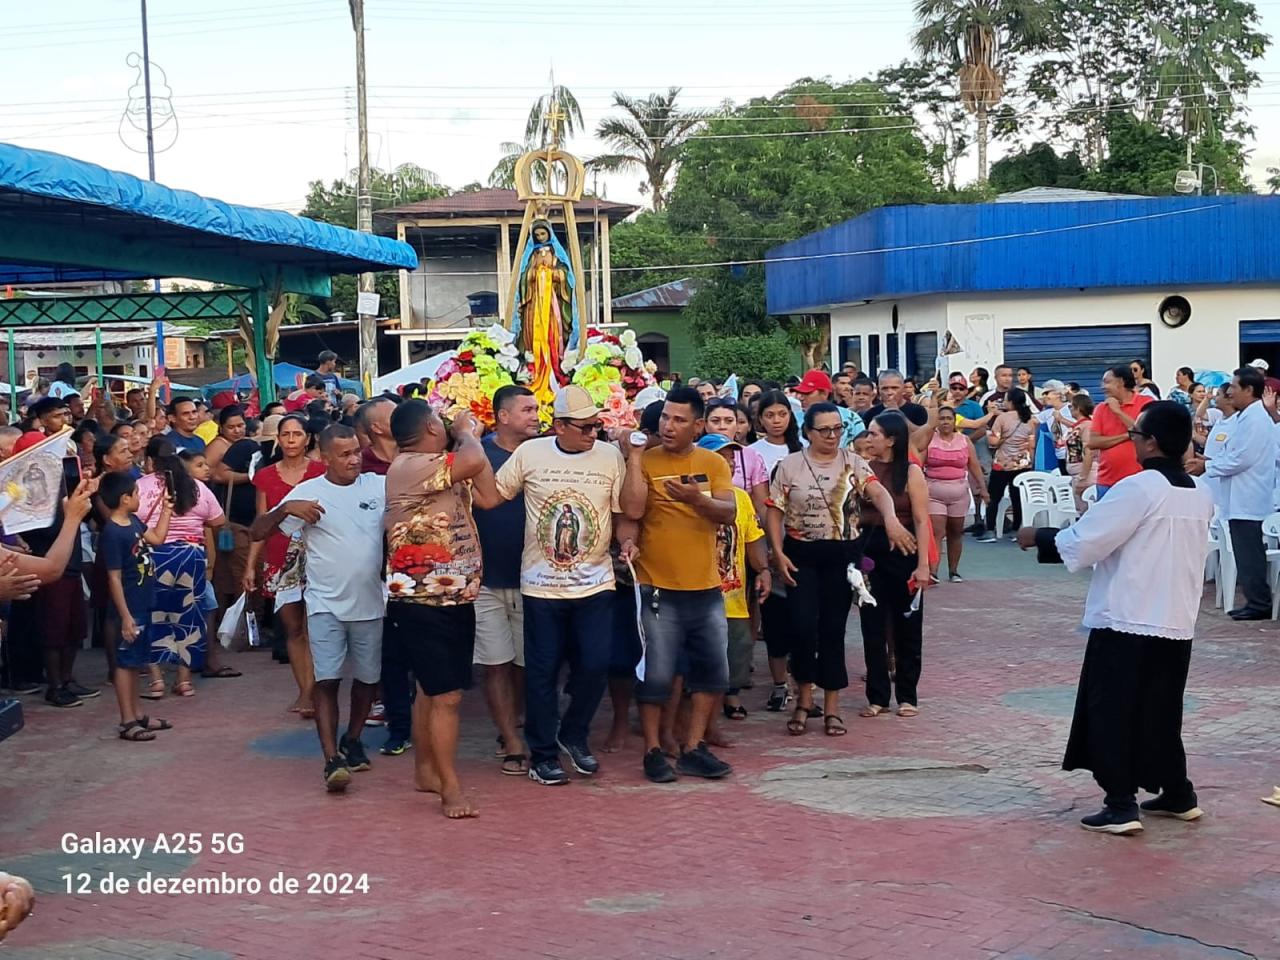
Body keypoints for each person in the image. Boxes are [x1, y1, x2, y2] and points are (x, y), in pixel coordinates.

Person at [1017, 402, 1213, 835]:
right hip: (1177, 619)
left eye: (1137, 433)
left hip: (1128, 617)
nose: (1133, 439)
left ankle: (1121, 803)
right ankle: (1179, 793)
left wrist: (1038, 536)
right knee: (1161, 711)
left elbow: (1090, 540)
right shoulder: (1199, 492)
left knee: (1113, 709)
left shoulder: (1140, 488)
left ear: (1152, 442)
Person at [478, 385, 626, 787]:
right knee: (541, 672)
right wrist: (463, 459)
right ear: (559, 426)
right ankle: (542, 754)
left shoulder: (610, 457)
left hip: (595, 583)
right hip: (541, 585)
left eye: (597, 426)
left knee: (595, 665)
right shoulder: (531, 454)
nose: (592, 434)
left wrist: (627, 540)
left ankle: (573, 734)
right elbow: (492, 496)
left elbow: (622, 511)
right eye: (584, 427)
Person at [766, 403, 917, 735]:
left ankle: (832, 706)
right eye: (824, 430)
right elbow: (774, 511)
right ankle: (804, 700)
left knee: (833, 631)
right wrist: (776, 552)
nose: (832, 436)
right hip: (800, 555)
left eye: (837, 429)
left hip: (840, 556)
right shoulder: (789, 466)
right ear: (808, 432)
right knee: (803, 628)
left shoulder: (854, 462)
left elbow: (879, 493)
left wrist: (891, 520)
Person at [252, 424, 386, 794]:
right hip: (324, 604)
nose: (354, 459)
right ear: (324, 458)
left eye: (357, 451)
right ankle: (331, 760)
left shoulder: (377, 486)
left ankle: (353, 739)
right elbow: (258, 533)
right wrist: (284, 509)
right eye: (344, 454)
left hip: (372, 603)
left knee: (368, 681)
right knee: (325, 681)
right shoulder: (308, 492)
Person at [618, 386, 737, 784]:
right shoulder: (645, 460)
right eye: (666, 418)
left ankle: (693, 748)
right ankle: (653, 751)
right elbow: (631, 511)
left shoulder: (713, 462)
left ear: (698, 425)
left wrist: (695, 499)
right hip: (655, 586)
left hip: (705, 586)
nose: (669, 426)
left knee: (711, 673)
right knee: (656, 675)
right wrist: (628, 540)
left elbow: (728, 512)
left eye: (680, 420)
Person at [382, 401, 491, 817]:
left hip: (456, 595)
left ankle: (426, 771)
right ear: (431, 425)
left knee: (433, 689)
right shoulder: (408, 465)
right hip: (422, 598)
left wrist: (472, 449)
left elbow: (491, 496)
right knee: (446, 696)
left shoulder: (446, 465)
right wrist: (467, 432)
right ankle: (450, 789)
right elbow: (473, 456)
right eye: (442, 421)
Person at [472, 385, 540, 774]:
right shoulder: (477, 454)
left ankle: (518, 723)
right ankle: (511, 740)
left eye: (536, 409)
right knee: (495, 663)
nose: (535, 415)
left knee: (527, 662)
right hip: (486, 578)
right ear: (502, 416)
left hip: (535, 578)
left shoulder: (544, 453)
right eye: (527, 410)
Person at [245, 414, 326, 718]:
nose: (291, 440)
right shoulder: (265, 476)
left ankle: (319, 690)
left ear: (308, 439)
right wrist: (251, 566)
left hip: (318, 556)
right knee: (293, 628)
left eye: (297, 434)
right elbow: (260, 525)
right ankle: (305, 691)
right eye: (286, 435)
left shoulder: (321, 472)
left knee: (317, 626)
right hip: (279, 557)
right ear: (277, 439)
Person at [136, 442, 226, 697]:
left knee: (152, 615)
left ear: (151, 461)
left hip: (154, 557)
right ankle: (184, 680)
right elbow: (218, 520)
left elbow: (131, 517)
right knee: (188, 615)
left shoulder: (141, 486)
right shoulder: (196, 486)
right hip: (192, 557)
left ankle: (156, 681)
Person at [859, 412, 932, 716]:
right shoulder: (862, 469)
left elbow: (920, 518)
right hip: (870, 554)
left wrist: (924, 565)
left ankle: (907, 696)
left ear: (891, 440)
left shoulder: (911, 472)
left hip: (905, 554)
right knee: (871, 627)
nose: (868, 439)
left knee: (907, 627)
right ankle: (877, 697)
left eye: (874, 434)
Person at [696, 433, 771, 721]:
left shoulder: (741, 497)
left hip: (734, 593)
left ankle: (731, 696)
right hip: (697, 592)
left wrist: (763, 569)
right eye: (721, 456)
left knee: (736, 650)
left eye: (730, 456)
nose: (728, 462)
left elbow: (752, 537)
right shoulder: (694, 493)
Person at [99, 470, 175, 741]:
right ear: (124, 498)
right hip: (128, 608)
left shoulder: (132, 521)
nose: (139, 497)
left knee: (135, 663)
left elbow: (157, 538)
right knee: (124, 663)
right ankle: (127, 720)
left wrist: (166, 510)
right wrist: (126, 617)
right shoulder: (112, 533)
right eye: (136, 494)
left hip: (141, 603)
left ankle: (138, 714)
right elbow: (114, 578)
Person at [1204, 366, 1277, 620]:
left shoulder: (1256, 419)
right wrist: (1210, 461)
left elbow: (1241, 459)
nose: (1230, 391)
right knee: (1245, 553)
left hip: (1249, 498)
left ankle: (1259, 603)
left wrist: (1207, 465)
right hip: (1238, 497)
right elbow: (1231, 453)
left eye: (1234, 387)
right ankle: (1255, 600)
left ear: (1249, 389)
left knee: (1249, 553)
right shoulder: (1244, 418)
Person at [915, 405, 987, 581]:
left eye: (949, 418)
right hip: (934, 491)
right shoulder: (930, 440)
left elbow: (974, 465)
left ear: (955, 421)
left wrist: (982, 488)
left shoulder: (964, 440)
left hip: (959, 492)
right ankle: (933, 571)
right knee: (937, 532)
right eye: (942, 418)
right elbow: (917, 464)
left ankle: (953, 571)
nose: (945, 422)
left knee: (956, 531)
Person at [979, 387, 1038, 542]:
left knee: (994, 497)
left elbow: (993, 441)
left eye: (1005, 399)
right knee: (1017, 498)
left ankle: (990, 530)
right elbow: (1031, 445)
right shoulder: (1030, 419)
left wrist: (997, 440)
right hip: (1022, 463)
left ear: (1011, 402)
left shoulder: (1002, 419)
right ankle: (1015, 530)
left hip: (1002, 464)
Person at [1089, 364, 1154, 499]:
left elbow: (1144, 432)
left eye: (1107, 382)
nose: (1102, 387)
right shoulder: (1101, 408)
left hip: (1140, 481)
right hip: (1107, 482)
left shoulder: (1146, 403)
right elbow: (1093, 442)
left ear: (1121, 382)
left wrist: (1117, 412)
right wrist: (1126, 435)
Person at [705, 397, 769, 516]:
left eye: (729, 421)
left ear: (736, 425)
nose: (722, 426)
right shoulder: (693, 451)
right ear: (705, 425)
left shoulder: (751, 456)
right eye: (715, 421)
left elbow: (762, 505)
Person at [794, 369, 866, 444]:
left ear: (825, 393)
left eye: (807, 393)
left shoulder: (852, 419)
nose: (801, 398)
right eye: (800, 393)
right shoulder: (792, 419)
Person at [748, 389, 804, 477]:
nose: (776, 421)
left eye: (782, 414)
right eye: (770, 416)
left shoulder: (805, 447)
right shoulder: (751, 452)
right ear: (760, 419)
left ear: (789, 415)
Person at [864, 370, 929, 427]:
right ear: (879, 390)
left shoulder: (918, 411)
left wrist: (897, 412)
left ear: (903, 388)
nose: (890, 392)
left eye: (894, 388)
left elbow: (920, 436)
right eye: (885, 388)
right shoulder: (871, 413)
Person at [354, 397, 398, 476]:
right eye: (394, 417)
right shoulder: (362, 464)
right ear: (377, 428)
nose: (404, 419)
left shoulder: (415, 452)